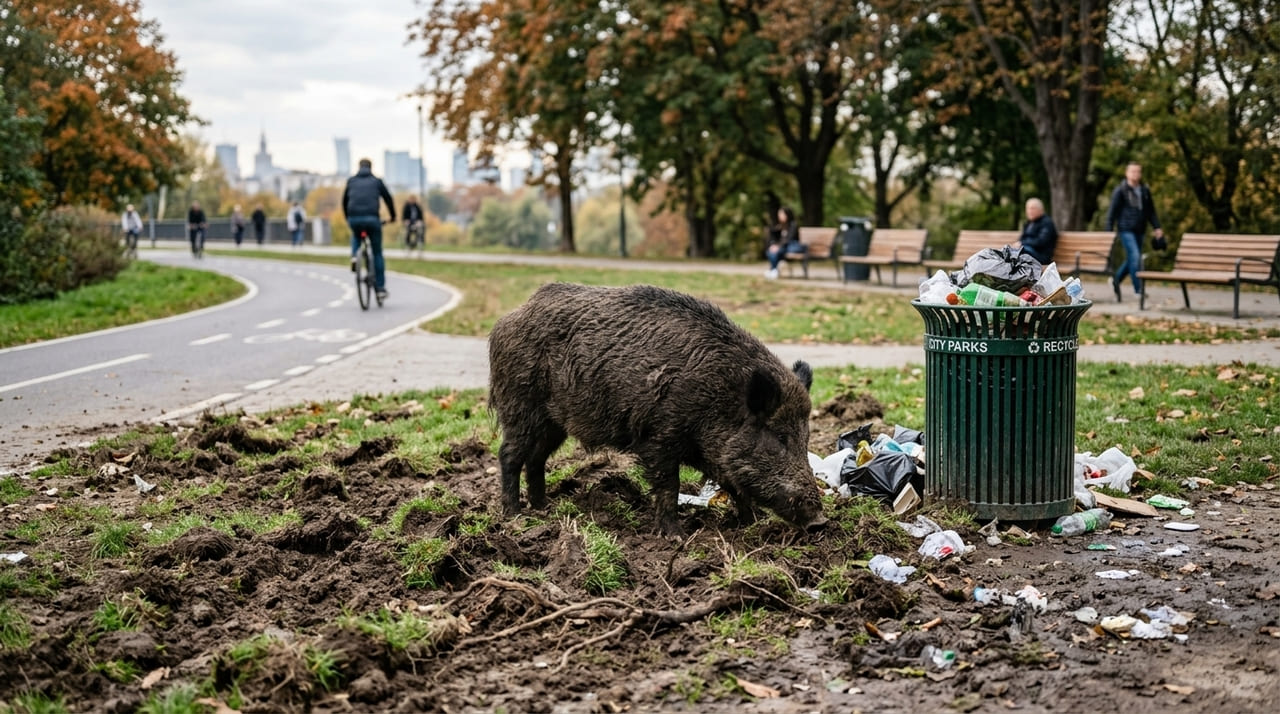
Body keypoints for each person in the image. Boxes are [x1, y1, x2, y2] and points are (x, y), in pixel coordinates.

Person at [1105, 161, 1164, 301]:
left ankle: (1115, 281)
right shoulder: (1120, 190)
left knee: (1132, 258)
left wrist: (1157, 227)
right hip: (1125, 229)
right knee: (1136, 256)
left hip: (1140, 229)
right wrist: (1108, 232)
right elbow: (1112, 213)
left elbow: (1151, 211)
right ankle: (1139, 290)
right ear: (1127, 173)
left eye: (1138, 171)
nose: (1135, 174)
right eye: (1132, 171)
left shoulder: (1144, 190)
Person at [342, 158, 396, 301]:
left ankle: (355, 256)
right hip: (372, 219)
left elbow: (344, 201)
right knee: (377, 253)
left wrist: (348, 217)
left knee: (356, 236)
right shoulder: (376, 181)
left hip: (354, 218)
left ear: (359, 167)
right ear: (371, 168)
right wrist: (393, 216)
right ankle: (380, 289)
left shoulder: (351, 181)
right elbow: (388, 198)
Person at [763, 206, 801, 279]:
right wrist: (773, 245)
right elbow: (775, 239)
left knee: (775, 252)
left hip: (789, 247)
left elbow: (789, 239)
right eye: (779, 214)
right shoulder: (780, 226)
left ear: (787, 214)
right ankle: (774, 270)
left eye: (782, 214)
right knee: (771, 251)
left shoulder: (793, 225)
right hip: (782, 247)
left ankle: (773, 270)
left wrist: (778, 246)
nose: (780, 216)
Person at [1018, 197, 1058, 265]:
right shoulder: (1028, 223)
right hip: (1028, 252)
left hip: (1041, 257)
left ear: (1041, 210)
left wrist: (1022, 243)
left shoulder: (1047, 223)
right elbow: (1022, 238)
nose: (1029, 211)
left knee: (1020, 252)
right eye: (1028, 208)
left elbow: (1041, 242)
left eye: (1032, 208)